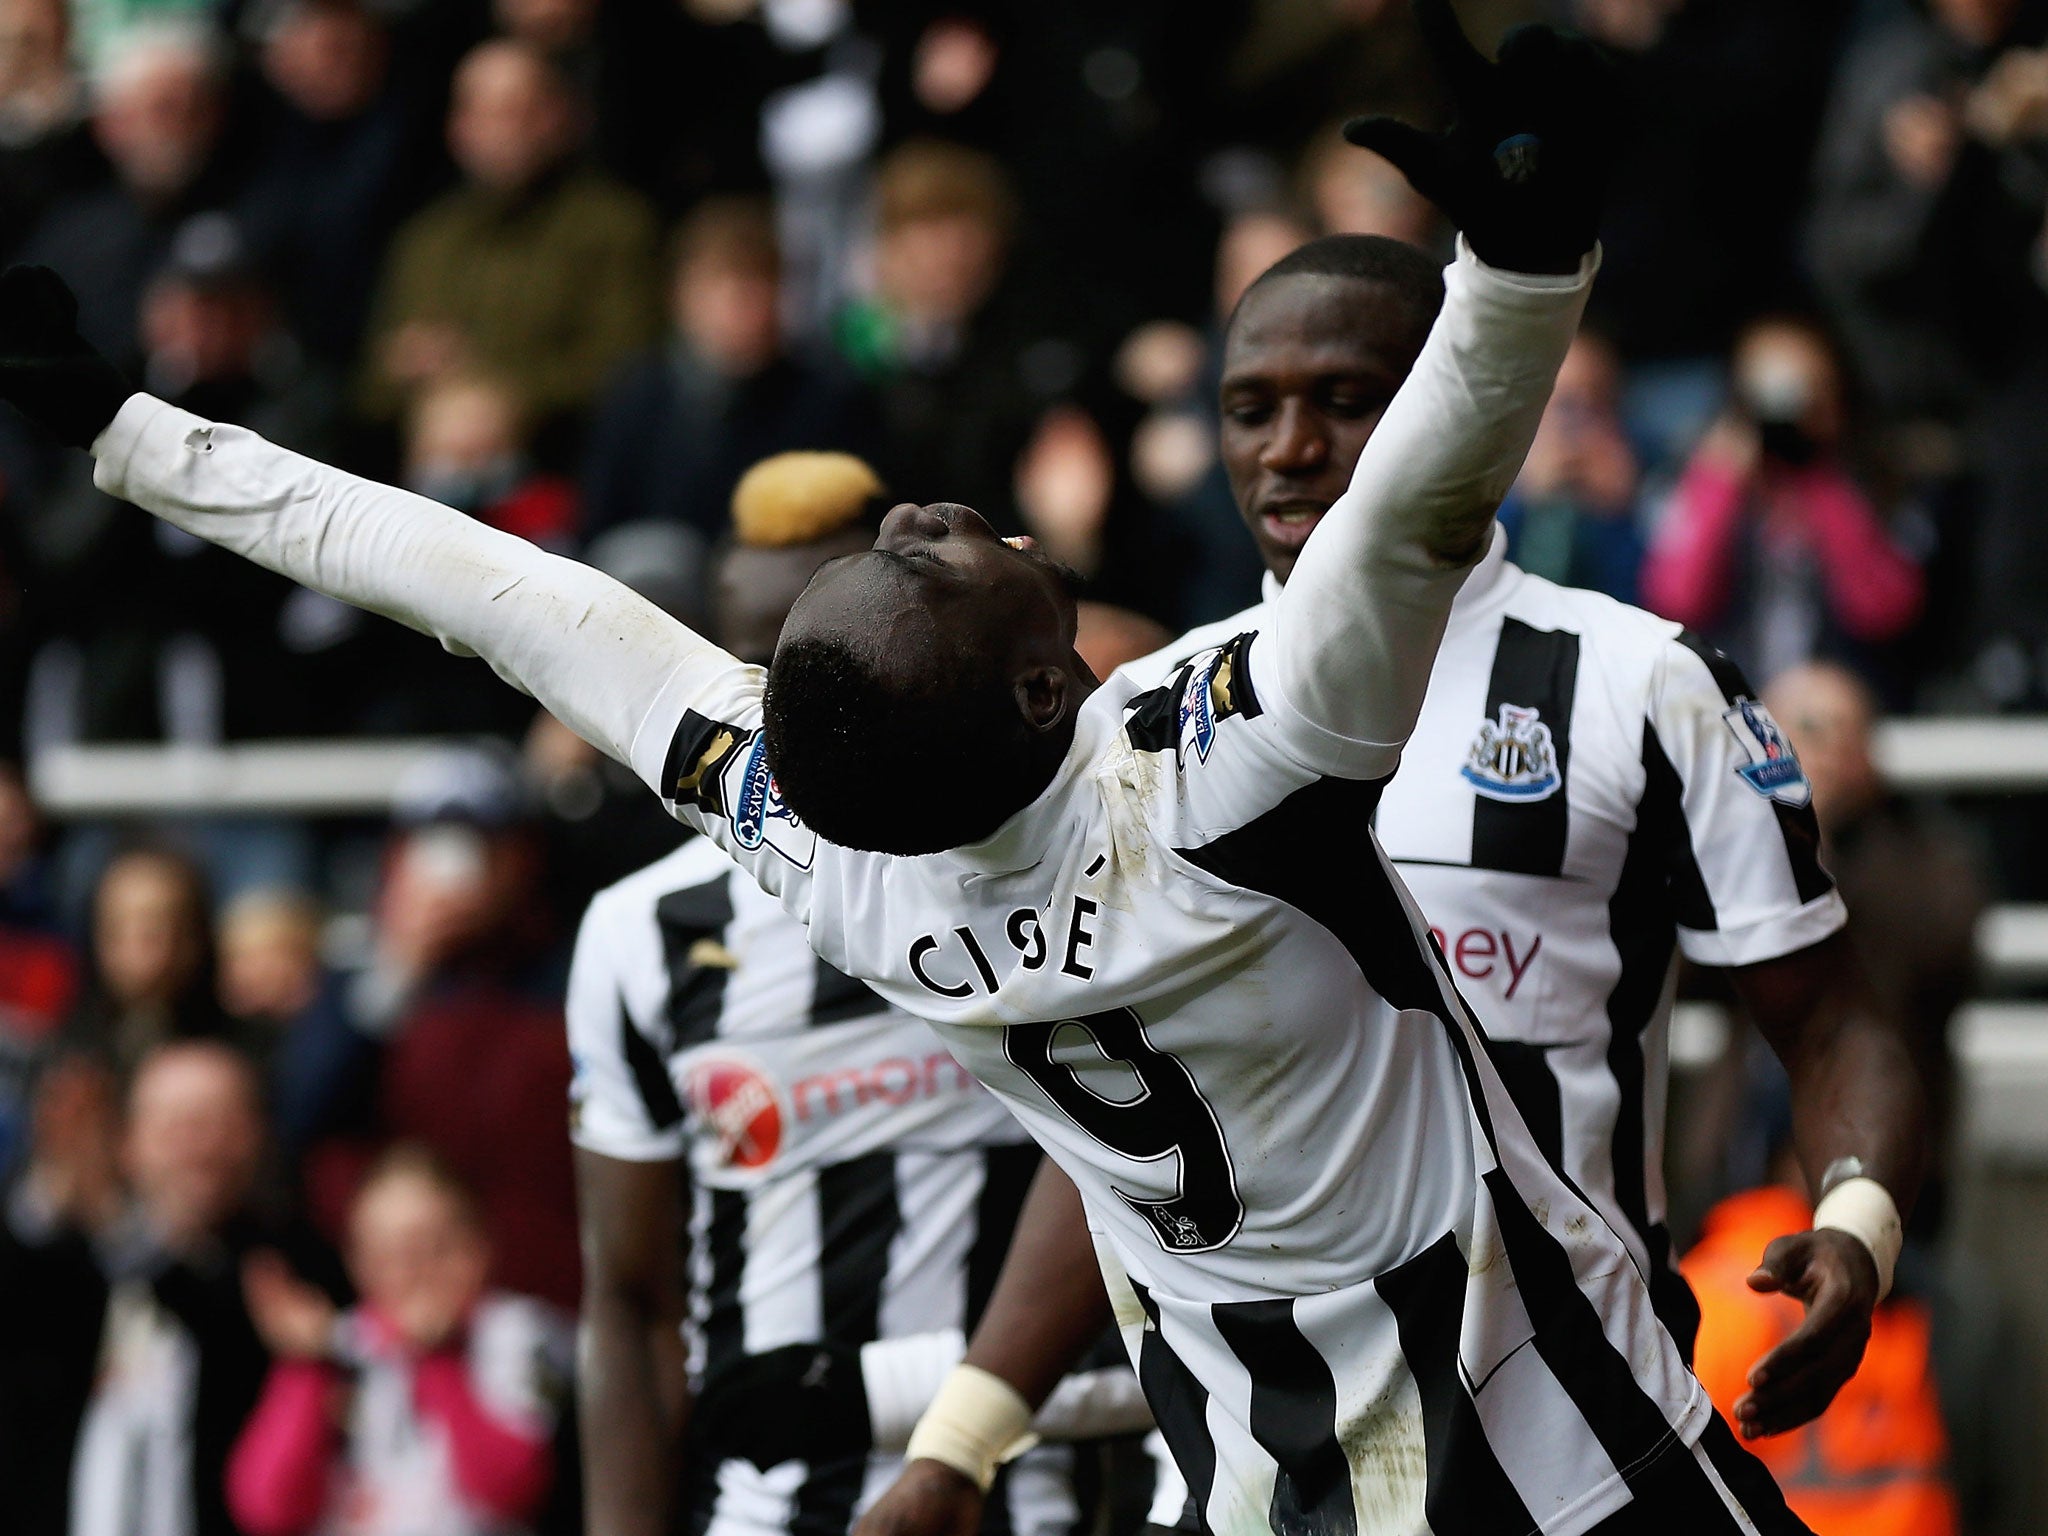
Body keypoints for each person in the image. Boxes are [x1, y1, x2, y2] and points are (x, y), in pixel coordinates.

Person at [0, 8, 1850, 1528]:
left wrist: (129, 433)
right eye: (944, 557)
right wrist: (1520, 275)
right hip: (1559, 1457)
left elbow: (480, 586)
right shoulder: (1230, 782)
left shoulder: (822, 855)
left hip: (1249, 1477)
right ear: (1056, 688)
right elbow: (1415, 505)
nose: (923, 507)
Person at [570, 450, 1088, 1536]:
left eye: (837, 670)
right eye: (762, 674)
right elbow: (627, 1304)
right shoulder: (641, 934)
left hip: (1031, 1499)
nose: (803, 727)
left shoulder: (1070, 880)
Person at [70, 1040, 347, 1536]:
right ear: (128, 1142)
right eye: (175, 1125)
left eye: (218, 1124)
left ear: (257, 1137)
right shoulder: (68, 1271)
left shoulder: (304, 1276)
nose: (197, 1147)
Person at [228, 1144, 569, 1536]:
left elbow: (512, 1487)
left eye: (430, 1248)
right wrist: (306, 1367)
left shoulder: (519, 1332)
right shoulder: (339, 1343)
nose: (408, 1272)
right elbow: (266, 1508)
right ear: (356, 1261)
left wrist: (438, 1358)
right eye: (384, 1253)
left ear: (478, 1245)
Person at [356, 38, 662, 437]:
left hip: (561, 455)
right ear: (457, 128)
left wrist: (497, 392)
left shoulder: (614, 225)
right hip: (425, 466)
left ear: (560, 116)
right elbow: (368, 386)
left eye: (519, 111)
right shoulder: (428, 238)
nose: (501, 130)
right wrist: (403, 370)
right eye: (483, 112)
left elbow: (626, 370)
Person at [1639, 316, 1923, 688]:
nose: (1786, 415)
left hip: (1838, 705)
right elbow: (1676, 602)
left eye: (1807, 394)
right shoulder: (1698, 479)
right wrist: (1719, 484)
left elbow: (1883, 611)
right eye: (1770, 395)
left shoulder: (1875, 482)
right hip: (1726, 706)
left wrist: (1818, 478)